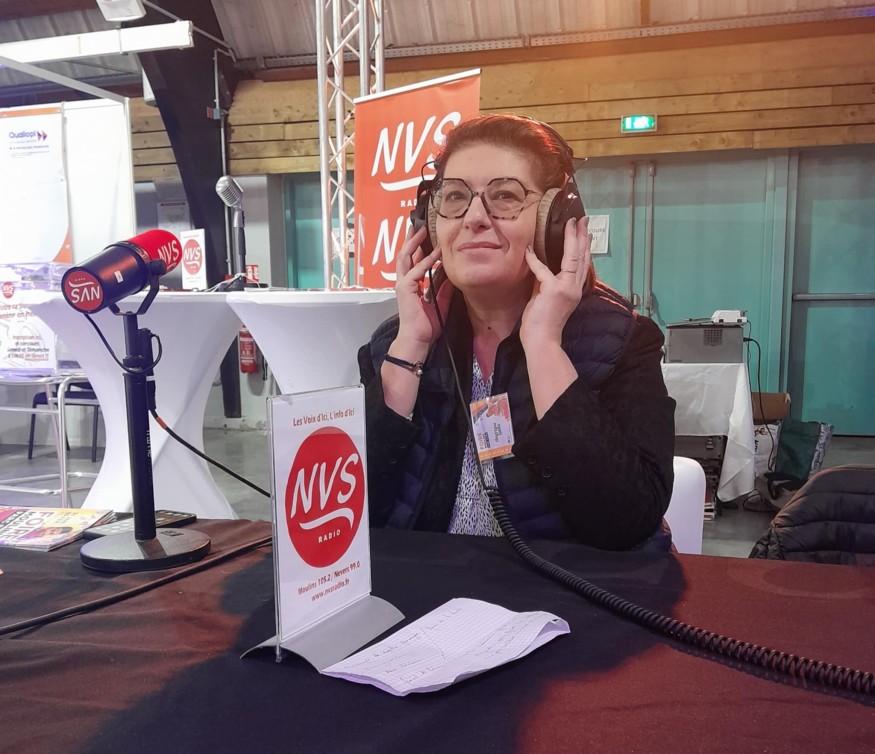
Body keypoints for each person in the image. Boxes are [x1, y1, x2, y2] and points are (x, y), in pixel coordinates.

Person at [358, 114, 675, 551]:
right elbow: (358, 510)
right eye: (455, 196)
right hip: (431, 584)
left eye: (504, 195)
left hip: (557, 587)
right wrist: (410, 346)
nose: (474, 218)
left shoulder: (620, 340)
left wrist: (544, 346)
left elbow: (628, 521)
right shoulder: (395, 344)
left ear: (555, 221)